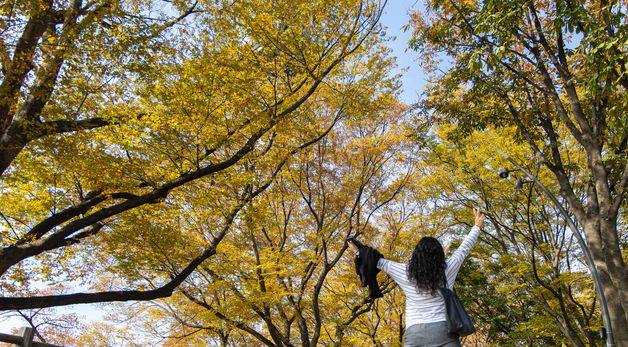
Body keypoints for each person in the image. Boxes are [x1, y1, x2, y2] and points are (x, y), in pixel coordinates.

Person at [348, 208, 484, 347]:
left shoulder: (406, 272)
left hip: (415, 333)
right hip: (444, 332)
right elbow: (464, 249)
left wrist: (358, 251)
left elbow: (377, 261)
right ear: (439, 255)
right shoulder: (447, 269)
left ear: (416, 255)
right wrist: (477, 226)